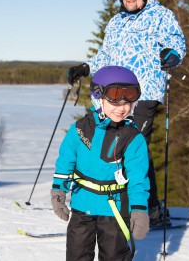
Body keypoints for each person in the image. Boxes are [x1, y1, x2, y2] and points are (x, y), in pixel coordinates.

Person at [67, 0, 186, 227]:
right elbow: (104, 56)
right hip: (114, 95)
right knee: (113, 146)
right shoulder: (115, 23)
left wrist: (173, 55)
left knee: (134, 146)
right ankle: (134, 204)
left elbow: (178, 43)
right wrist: (86, 68)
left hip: (145, 92)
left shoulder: (161, 16)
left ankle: (145, 209)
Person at [51, 66, 150, 261]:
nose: (122, 108)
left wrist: (139, 209)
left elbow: (138, 178)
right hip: (82, 206)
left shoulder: (133, 138)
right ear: (98, 97)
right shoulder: (80, 129)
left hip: (115, 210)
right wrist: (58, 191)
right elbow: (65, 162)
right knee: (77, 255)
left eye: (128, 100)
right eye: (115, 100)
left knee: (114, 256)